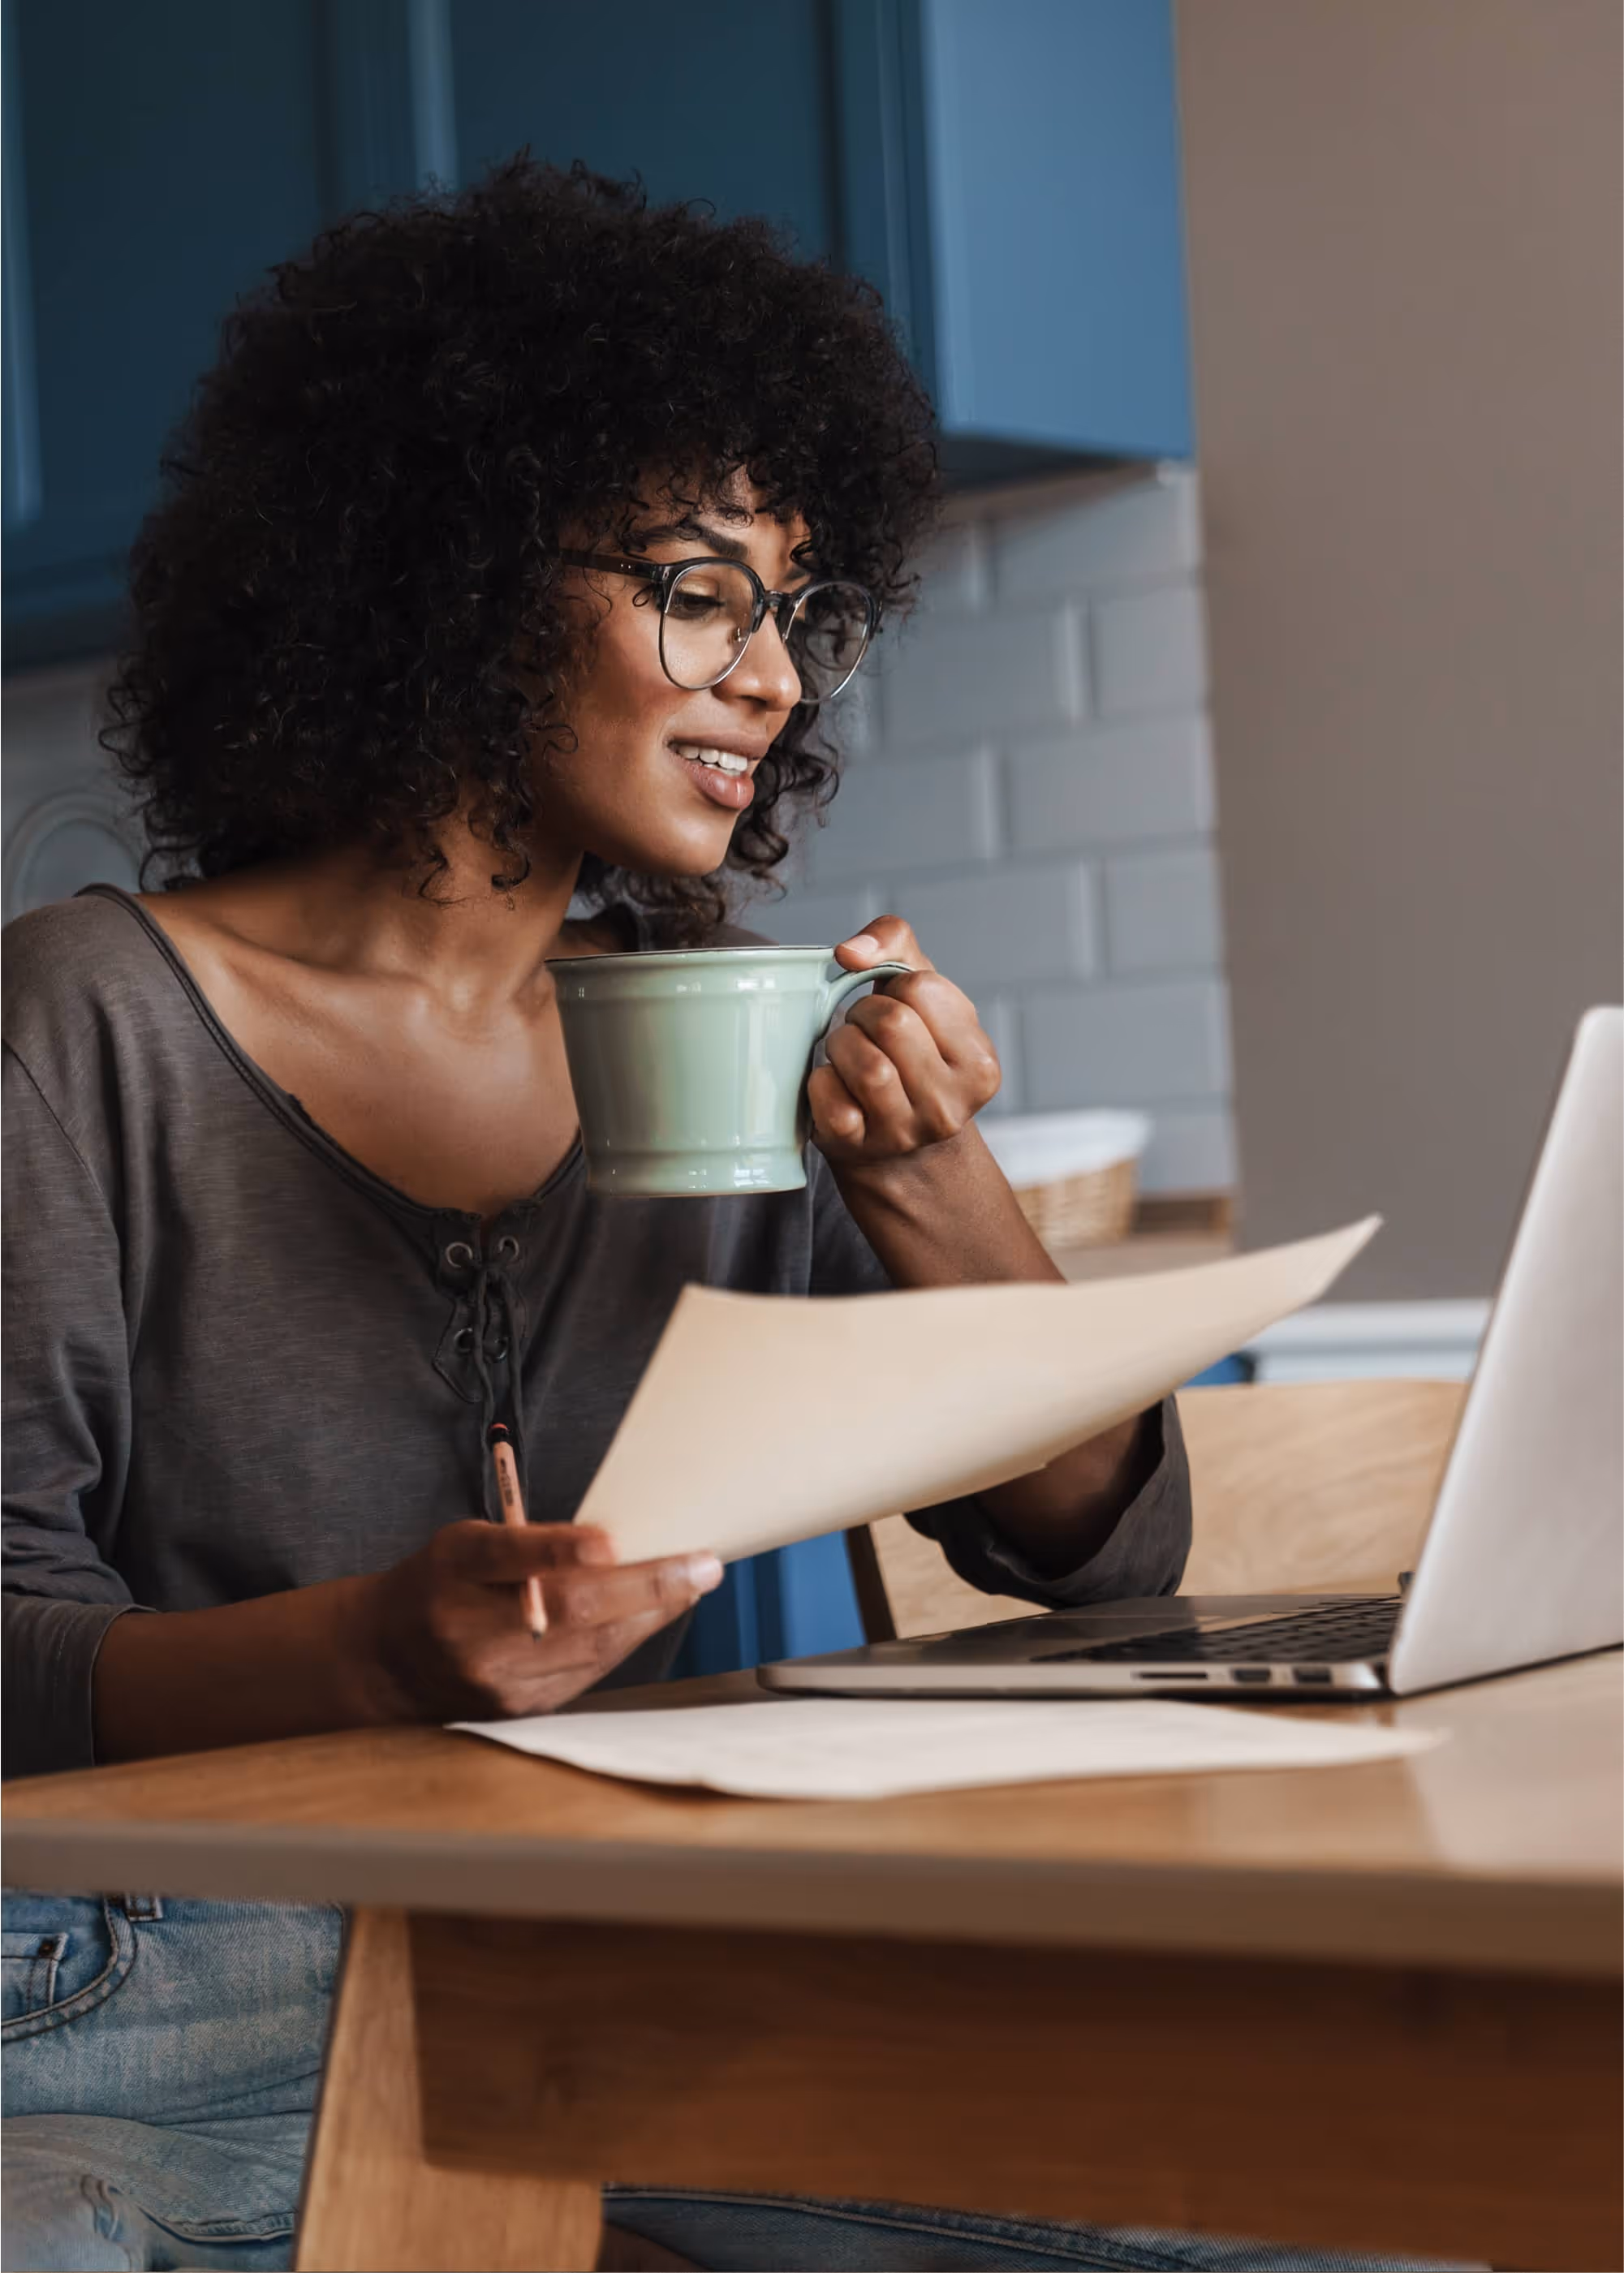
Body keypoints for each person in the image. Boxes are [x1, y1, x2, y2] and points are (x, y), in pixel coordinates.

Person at [1, 161, 1429, 2273]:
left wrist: (928, 1181)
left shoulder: (730, 1022)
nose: (771, 676)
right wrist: (382, 1652)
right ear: (451, 574)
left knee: (1336, 2199)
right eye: (695, 590)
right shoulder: (84, 1021)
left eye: (795, 609)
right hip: (157, 1981)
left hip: (628, 1942)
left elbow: (1098, 1551)